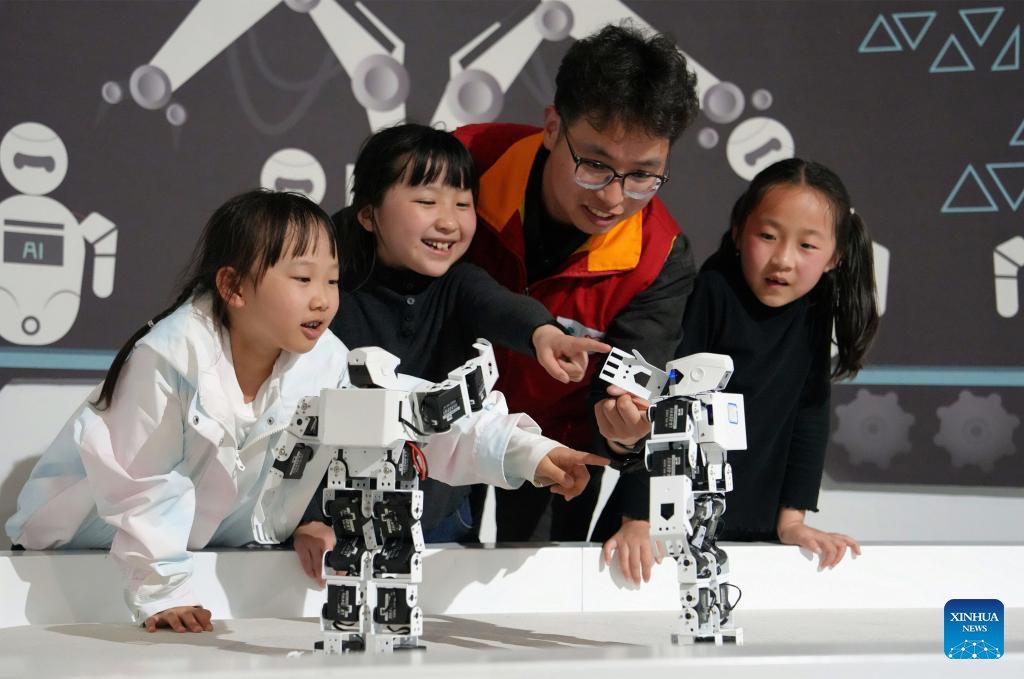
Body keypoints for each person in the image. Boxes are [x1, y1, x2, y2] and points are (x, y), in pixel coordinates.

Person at [5, 189, 605, 632]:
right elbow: (142, 482)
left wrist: (525, 452)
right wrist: (160, 592)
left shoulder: (322, 361)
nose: (322, 300)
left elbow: (411, 417)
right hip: (75, 565)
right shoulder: (167, 357)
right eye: (301, 278)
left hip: (211, 565)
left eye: (332, 280)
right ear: (234, 287)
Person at [291, 124, 610, 579]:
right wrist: (308, 517)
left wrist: (544, 334)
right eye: (426, 201)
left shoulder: (459, 284)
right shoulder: (329, 293)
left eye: (463, 204)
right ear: (368, 214)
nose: (449, 221)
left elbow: (498, 306)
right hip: (329, 518)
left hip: (439, 517)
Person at [455, 23, 700, 551]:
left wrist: (621, 432)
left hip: (557, 446)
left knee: (541, 589)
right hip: (440, 422)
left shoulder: (659, 257)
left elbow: (626, 395)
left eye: (643, 175)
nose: (613, 197)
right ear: (552, 127)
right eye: (594, 164)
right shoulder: (463, 164)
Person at [597, 158, 879, 580]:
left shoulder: (817, 306)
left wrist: (793, 520)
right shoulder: (713, 289)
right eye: (767, 236)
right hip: (656, 523)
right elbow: (665, 403)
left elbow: (809, 412)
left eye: (807, 245)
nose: (783, 260)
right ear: (738, 231)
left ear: (835, 256)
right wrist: (640, 516)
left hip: (755, 526)